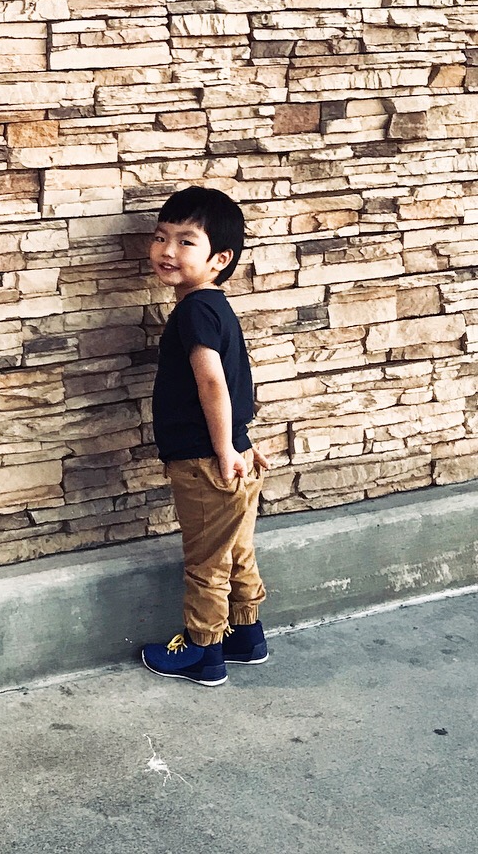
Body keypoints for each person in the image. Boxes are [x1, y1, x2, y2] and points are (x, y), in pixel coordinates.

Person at [140, 185, 270, 687]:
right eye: (161, 237)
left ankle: (202, 653)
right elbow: (237, 381)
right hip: (233, 453)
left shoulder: (193, 312)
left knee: (206, 562)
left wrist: (222, 450)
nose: (167, 250)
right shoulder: (216, 307)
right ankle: (246, 634)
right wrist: (239, 442)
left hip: (205, 460)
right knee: (235, 552)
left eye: (185, 241)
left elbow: (212, 382)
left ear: (220, 259)